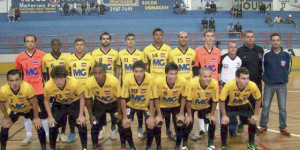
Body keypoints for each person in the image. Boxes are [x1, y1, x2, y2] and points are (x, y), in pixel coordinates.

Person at [15, 34, 49, 145]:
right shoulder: (19, 57)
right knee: (27, 115)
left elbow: (45, 73)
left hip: (40, 90)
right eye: (28, 41)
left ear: (35, 42)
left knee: (43, 114)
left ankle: (47, 135)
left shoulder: (42, 55)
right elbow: (18, 74)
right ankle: (28, 135)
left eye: (32, 41)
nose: (30, 43)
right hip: (26, 92)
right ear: (24, 43)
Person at [0, 69, 47, 150]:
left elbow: (35, 103)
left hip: (29, 109)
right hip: (14, 109)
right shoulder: (3, 90)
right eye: (11, 80)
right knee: (4, 128)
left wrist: (36, 118)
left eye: (17, 80)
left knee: (39, 127)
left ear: (21, 79)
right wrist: (7, 117)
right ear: (7, 81)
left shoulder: (27, 88)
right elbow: (2, 104)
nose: (14, 83)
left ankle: (44, 148)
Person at [44, 66, 87, 150]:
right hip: (59, 104)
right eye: (56, 79)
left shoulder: (74, 83)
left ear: (65, 77)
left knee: (81, 123)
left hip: (74, 103)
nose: (58, 81)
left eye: (60, 78)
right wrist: (50, 117)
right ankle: (52, 148)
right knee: (52, 124)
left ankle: (84, 148)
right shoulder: (48, 85)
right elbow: (46, 100)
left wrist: (81, 115)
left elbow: (82, 98)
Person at [257, 33, 292, 137]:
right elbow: (263, 68)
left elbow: (288, 69)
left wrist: (282, 77)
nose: (276, 42)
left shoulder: (286, 55)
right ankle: (263, 126)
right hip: (269, 85)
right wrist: (269, 78)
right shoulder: (266, 55)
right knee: (266, 106)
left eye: (277, 40)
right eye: (273, 40)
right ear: (270, 42)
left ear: (280, 41)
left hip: (282, 85)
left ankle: (283, 127)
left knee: (282, 107)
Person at [219, 67, 262, 150]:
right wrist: (224, 115)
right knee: (224, 122)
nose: (246, 81)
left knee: (252, 121)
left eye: (248, 78)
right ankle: (224, 145)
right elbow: (221, 100)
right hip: (231, 106)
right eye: (243, 78)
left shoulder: (252, 85)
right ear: (237, 78)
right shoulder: (229, 85)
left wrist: (256, 114)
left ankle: (251, 144)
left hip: (244, 105)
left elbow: (259, 99)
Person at [120, 60, 157, 150]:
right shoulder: (127, 78)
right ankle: (132, 146)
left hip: (146, 105)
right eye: (136, 71)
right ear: (133, 71)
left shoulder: (150, 78)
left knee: (151, 124)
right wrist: (125, 117)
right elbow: (123, 99)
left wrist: (151, 117)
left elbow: (152, 99)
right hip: (131, 104)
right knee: (126, 123)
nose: (138, 74)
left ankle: (148, 146)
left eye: (141, 71)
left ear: (145, 70)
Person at [85, 63, 121, 149]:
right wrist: (90, 115)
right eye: (95, 73)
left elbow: (120, 98)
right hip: (99, 103)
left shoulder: (113, 81)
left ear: (105, 72)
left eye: (100, 73)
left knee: (121, 123)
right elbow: (88, 99)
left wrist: (120, 113)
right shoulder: (89, 82)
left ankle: (123, 144)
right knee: (94, 124)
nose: (97, 75)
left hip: (113, 103)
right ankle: (94, 144)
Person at [65, 37, 94, 143]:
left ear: (84, 46)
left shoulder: (90, 58)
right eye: (77, 45)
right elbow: (66, 75)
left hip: (87, 90)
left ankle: (96, 129)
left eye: (81, 44)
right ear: (75, 46)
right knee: (73, 113)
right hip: (74, 92)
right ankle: (72, 132)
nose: (79, 46)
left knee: (92, 112)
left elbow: (93, 75)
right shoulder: (69, 59)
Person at [153, 63, 188, 150]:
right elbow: (156, 98)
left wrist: (181, 113)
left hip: (176, 106)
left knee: (180, 123)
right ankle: (158, 146)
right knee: (157, 123)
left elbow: (184, 97)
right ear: (166, 73)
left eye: (175, 74)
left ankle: (177, 146)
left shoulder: (183, 81)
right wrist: (159, 115)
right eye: (171, 74)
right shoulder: (158, 82)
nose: (173, 76)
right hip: (162, 106)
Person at [182, 68, 219, 150]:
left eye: (209, 76)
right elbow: (188, 100)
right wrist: (189, 115)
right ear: (199, 76)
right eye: (205, 76)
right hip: (191, 106)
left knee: (212, 121)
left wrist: (212, 115)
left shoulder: (214, 83)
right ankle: (184, 144)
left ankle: (210, 143)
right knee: (187, 122)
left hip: (205, 106)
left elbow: (215, 100)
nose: (208, 79)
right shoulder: (192, 83)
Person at [194, 29, 221, 140]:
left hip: (213, 84)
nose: (210, 38)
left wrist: (219, 83)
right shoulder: (198, 51)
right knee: (201, 107)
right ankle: (201, 129)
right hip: (202, 84)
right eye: (207, 36)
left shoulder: (218, 51)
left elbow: (219, 69)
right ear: (203, 38)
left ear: (214, 38)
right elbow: (196, 68)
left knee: (212, 108)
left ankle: (210, 128)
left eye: (211, 36)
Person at [117, 33, 144, 139]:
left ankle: (140, 127)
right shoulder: (121, 54)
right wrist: (118, 81)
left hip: (138, 85)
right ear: (125, 41)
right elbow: (119, 69)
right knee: (128, 108)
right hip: (126, 86)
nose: (130, 41)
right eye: (128, 39)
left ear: (135, 41)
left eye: (132, 39)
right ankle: (127, 126)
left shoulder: (140, 54)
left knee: (140, 108)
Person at [237, 31, 264, 133]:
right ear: (244, 38)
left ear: (254, 38)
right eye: (248, 37)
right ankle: (242, 123)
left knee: (255, 104)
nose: (250, 39)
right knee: (242, 103)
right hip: (244, 84)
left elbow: (264, 66)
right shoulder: (240, 51)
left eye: (252, 37)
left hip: (257, 83)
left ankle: (253, 125)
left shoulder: (260, 50)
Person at [42, 39, 68, 143]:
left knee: (64, 112)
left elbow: (67, 74)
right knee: (53, 112)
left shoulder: (65, 58)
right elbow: (44, 74)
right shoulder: (46, 58)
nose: (56, 46)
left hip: (63, 89)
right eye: (54, 44)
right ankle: (55, 132)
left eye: (58, 44)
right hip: (52, 89)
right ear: (51, 45)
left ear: (60, 45)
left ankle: (63, 133)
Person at [219, 42, 242, 137]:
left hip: (235, 88)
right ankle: (223, 127)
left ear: (237, 49)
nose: (233, 49)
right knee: (223, 107)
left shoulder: (239, 60)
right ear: (228, 48)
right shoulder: (223, 58)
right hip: (224, 87)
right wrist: (220, 82)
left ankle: (233, 128)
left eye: (234, 47)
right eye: (231, 47)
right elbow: (218, 70)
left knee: (234, 108)